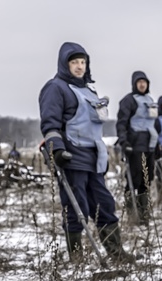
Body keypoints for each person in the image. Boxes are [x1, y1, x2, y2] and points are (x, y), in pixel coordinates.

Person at [38, 42, 134, 262]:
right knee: (76, 207)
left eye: (83, 62)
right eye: (74, 62)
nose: (79, 67)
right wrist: (58, 150)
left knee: (104, 204)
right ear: (65, 64)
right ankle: (77, 258)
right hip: (71, 158)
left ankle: (116, 252)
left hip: (93, 158)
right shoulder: (55, 88)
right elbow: (50, 124)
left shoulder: (89, 90)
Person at [115, 70, 158, 224]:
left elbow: (155, 123)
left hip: (150, 145)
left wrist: (158, 145)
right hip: (134, 145)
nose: (142, 84)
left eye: (144, 82)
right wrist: (123, 141)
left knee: (147, 180)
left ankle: (144, 216)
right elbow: (121, 123)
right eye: (139, 82)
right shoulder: (128, 100)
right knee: (134, 178)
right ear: (134, 84)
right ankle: (132, 216)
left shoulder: (150, 100)